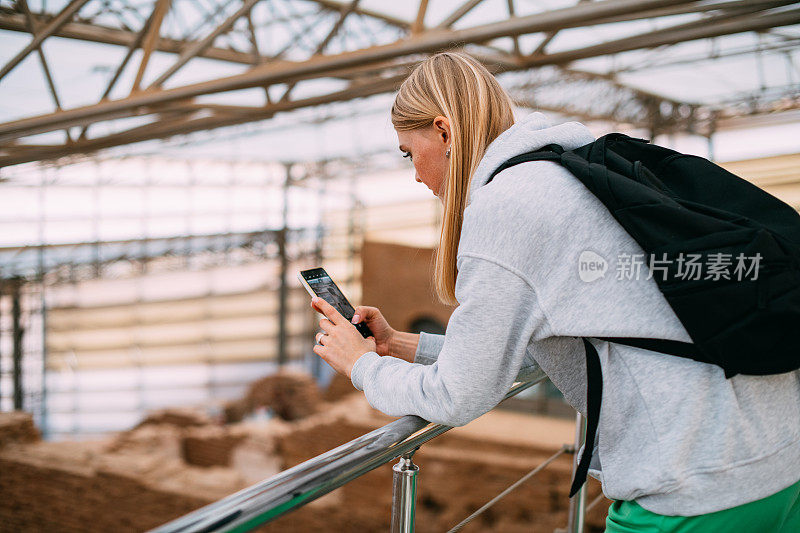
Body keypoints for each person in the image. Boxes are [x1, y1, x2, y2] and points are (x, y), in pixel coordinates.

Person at [308, 51, 800, 531]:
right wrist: (401, 345)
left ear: (444, 131)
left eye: (410, 153)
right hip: (779, 456)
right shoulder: (570, 168)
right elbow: (542, 349)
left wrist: (363, 366)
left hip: (697, 482)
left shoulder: (506, 208)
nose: (415, 174)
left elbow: (458, 395)